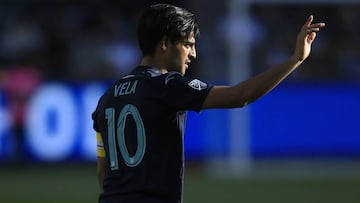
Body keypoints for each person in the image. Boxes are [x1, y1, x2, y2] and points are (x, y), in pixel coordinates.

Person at [92, 3, 325, 203]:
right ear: (164, 43)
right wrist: (296, 59)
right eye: (188, 44)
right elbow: (240, 96)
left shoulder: (107, 98)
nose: (193, 54)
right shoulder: (167, 86)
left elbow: (103, 174)